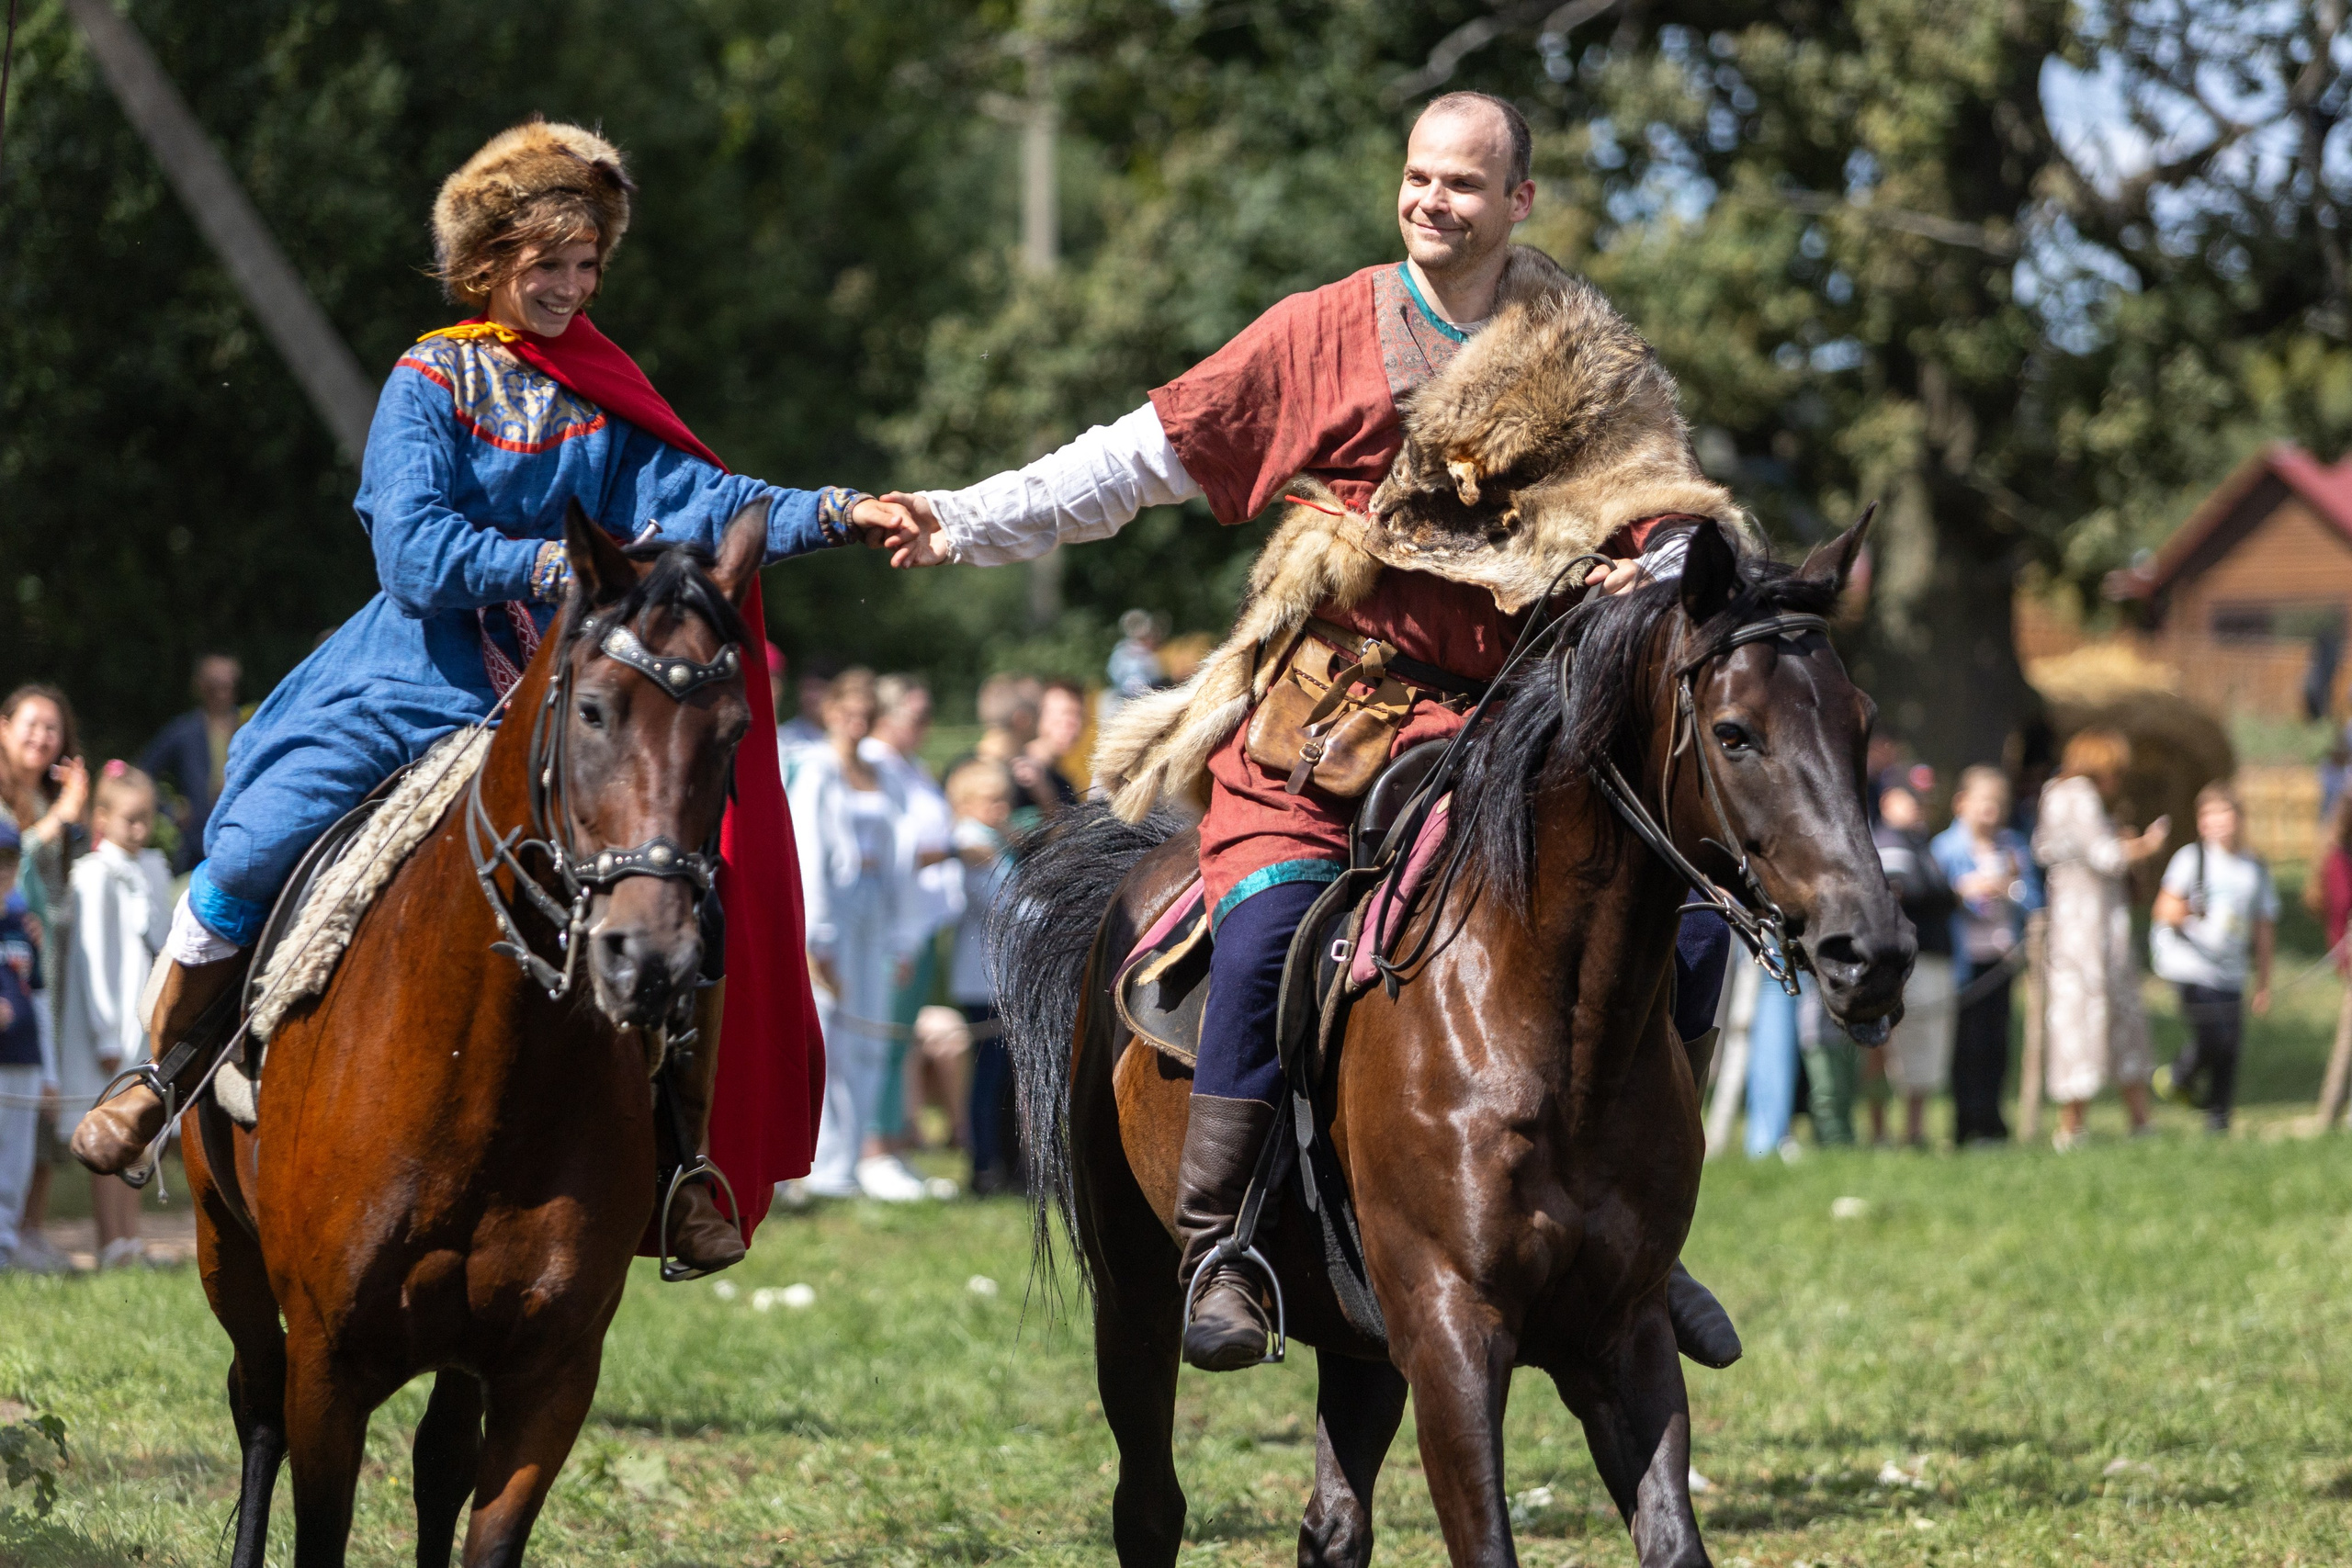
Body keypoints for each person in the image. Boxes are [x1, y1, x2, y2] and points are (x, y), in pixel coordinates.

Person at [877, 92, 1744, 1371]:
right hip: (1335, 718)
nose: (1430, 200)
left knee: (1693, 913)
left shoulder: (1584, 353)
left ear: (1520, 202)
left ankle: (1637, 1234)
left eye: (1461, 182)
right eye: (1416, 176)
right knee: (1269, 914)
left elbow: (1665, 508)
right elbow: (1137, 458)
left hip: (1523, 723)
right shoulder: (1322, 332)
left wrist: (1665, 565)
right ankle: (1222, 1238)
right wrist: (960, 517)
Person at [68, 122, 907, 1276]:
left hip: (565, 703)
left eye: (586, 264)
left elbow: (710, 498)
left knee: (686, 904)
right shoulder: (430, 377)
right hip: (410, 682)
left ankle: (681, 1167)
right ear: (486, 262)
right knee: (252, 848)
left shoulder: (601, 394)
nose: (569, 287)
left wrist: (841, 510)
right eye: (546, 263)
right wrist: (551, 565)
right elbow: (411, 552)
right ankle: (161, 1076)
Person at [787, 671, 928, 1201]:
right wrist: (816, 937)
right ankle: (818, 1162)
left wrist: (905, 935)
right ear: (831, 710)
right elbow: (806, 852)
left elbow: (904, 851)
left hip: (877, 909)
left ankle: (849, 1163)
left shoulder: (882, 771)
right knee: (831, 1031)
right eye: (850, 707)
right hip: (835, 913)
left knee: (871, 1033)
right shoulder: (815, 768)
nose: (858, 718)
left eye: (868, 710)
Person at [56, 764, 173, 1267]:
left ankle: (130, 1236)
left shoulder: (150, 868)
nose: (140, 829)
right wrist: (106, 1034)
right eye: (130, 819)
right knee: (107, 1127)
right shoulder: (93, 875)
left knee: (137, 1129)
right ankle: (110, 1239)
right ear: (102, 818)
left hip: (143, 1023)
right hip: (108, 1026)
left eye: (147, 818)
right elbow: (93, 960)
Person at [2033, 728, 2169, 1150]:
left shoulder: (2053, 794)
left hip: (2076, 921)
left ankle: (2086, 1125)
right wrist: (2148, 845)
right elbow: (2105, 856)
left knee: (2089, 1015)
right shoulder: (2079, 794)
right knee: (2094, 1014)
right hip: (2089, 925)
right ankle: (2084, 1127)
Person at [863, 674, 963, 1181]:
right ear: (887, 713)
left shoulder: (909, 765)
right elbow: (893, 850)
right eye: (916, 716)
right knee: (883, 1038)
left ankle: (894, 1144)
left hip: (919, 923)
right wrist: (955, 849)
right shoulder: (876, 762)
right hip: (890, 927)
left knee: (900, 1041)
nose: (924, 727)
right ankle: (873, 1148)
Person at [2150, 783, 2275, 1132]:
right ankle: (2179, 1076)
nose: (2216, 822)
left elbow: (2264, 925)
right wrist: (2194, 915)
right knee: (2213, 1036)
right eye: (2208, 814)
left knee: (2231, 1045)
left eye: (2223, 812)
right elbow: (2164, 908)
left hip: (2231, 968)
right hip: (2191, 964)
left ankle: (2218, 1120)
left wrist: (2264, 981)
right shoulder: (2191, 858)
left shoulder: (2254, 868)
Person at [1931, 766, 2041, 1145]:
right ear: (1961, 804)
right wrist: (1963, 891)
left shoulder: (2012, 846)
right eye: (1983, 805)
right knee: (1966, 1046)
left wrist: (2009, 888)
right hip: (1964, 960)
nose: (1990, 814)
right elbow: (1932, 901)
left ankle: (1993, 1121)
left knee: (1997, 1044)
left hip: (2001, 958)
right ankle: (1966, 1123)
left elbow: (2033, 899)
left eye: (1997, 806)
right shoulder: (1944, 849)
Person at [944, 758, 1020, 1193]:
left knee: (1003, 1075)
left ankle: (1002, 1162)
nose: (1002, 807)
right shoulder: (971, 842)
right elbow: (1002, 903)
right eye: (992, 800)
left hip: (1000, 975)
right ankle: (983, 1165)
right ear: (967, 803)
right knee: (988, 1078)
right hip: (982, 977)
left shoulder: (993, 841)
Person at [1866, 784, 1955, 1147]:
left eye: (1925, 799)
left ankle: (1912, 1132)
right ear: (1888, 801)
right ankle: (1880, 1131)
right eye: (1911, 798)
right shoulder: (1888, 841)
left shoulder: (1920, 843)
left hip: (1928, 956)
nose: (1920, 806)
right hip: (1895, 961)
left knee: (1921, 1051)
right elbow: (1909, 889)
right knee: (1884, 1050)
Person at [0, 823, 57, 1271]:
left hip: (24, 1060)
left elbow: (37, 998)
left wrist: (50, 1073)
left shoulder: (24, 926)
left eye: (7, 860)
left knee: (15, 1162)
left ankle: (6, 1245)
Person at [137, 653, 243, 874]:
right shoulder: (184, 730)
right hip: (196, 845)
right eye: (215, 685)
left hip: (242, 835)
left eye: (228, 684)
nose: (222, 692)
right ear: (201, 687)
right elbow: (142, 773)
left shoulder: (248, 726)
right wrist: (170, 809)